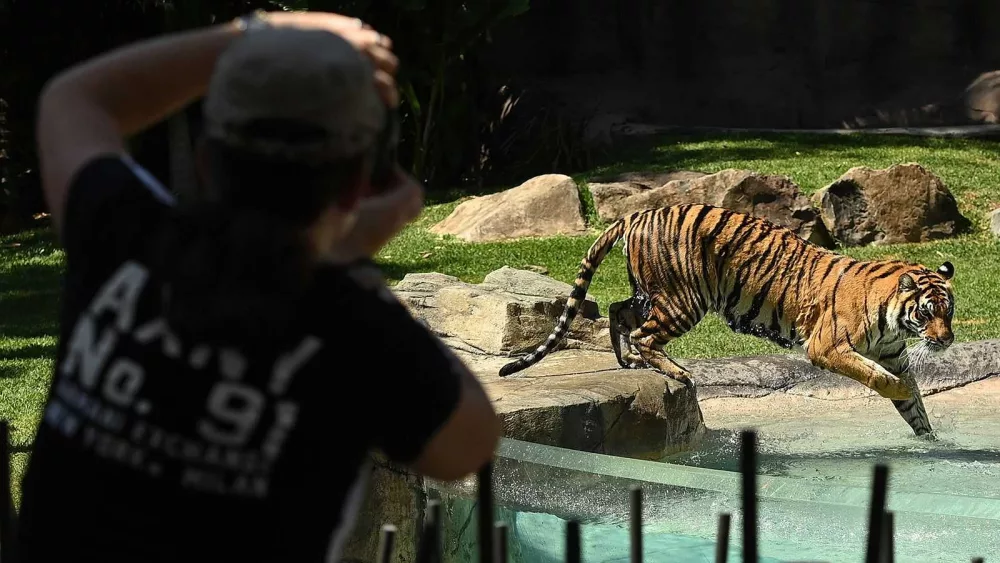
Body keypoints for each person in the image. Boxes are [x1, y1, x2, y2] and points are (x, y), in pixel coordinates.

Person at [15, 9, 500, 563]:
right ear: (354, 189)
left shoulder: (125, 237)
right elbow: (470, 440)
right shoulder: (354, 334)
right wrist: (343, 263)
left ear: (204, 161)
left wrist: (255, 33)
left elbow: (73, 99)